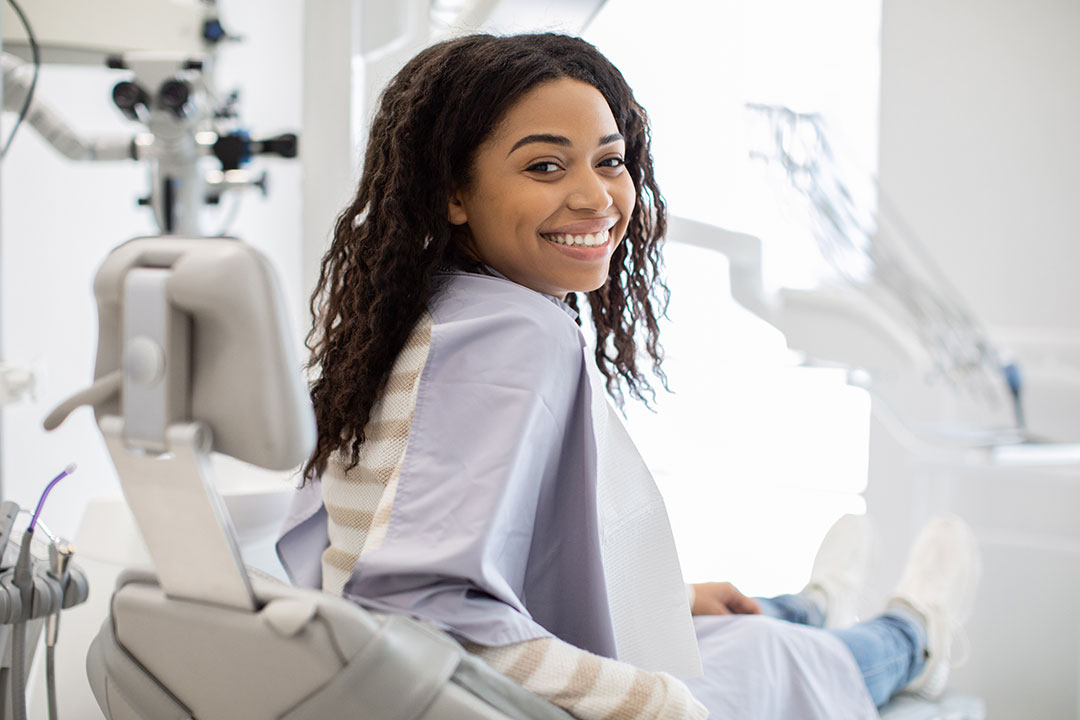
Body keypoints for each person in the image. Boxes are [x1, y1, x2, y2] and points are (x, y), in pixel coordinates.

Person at [276, 33, 980, 720]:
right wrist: (669, 705)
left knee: (713, 619)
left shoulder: (411, 314)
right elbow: (431, 614)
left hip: (406, 676)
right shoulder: (519, 335)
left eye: (610, 161)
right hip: (471, 688)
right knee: (769, 654)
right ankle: (916, 636)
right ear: (454, 192)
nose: (597, 197)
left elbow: (390, 547)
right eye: (546, 167)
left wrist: (662, 599)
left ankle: (815, 605)